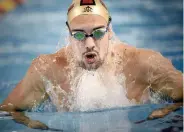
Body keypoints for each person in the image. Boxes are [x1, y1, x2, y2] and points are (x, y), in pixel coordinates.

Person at [0, 0, 183, 130]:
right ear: (68, 33)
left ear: (110, 30)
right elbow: (7, 111)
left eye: (98, 33)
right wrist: (29, 123)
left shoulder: (145, 63)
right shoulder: (46, 70)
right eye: (79, 35)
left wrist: (169, 111)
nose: (89, 44)